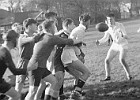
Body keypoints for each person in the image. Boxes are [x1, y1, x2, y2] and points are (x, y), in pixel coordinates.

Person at [26, 20, 78, 100]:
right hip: (35, 67)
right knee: (32, 91)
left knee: (54, 81)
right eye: (55, 26)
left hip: (42, 67)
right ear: (50, 28)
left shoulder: (43, 35)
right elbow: (68, 41)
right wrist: (77, 39)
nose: (56, 28)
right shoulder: (51, 38)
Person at [61, 13, 91, 99]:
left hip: (68, 54)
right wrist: (79, 53)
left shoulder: (79, 29)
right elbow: (72, 43)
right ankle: (76, 93)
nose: (89, 23)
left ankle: (76, 93)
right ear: (86, 21)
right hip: (69, 55)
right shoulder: (81, 30)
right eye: (89, 21)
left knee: (78, 76)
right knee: (86, 73)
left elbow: (74, 42)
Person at [0, 29, 35, 100]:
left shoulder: (2, 49)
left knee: (15, 95)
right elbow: (15, 71)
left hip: (1, 81)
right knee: (16, 95)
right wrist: (29, 69)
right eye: (17, 39)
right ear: (13, 40)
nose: (18, 41)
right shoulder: (5, 53)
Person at [96, 13, 132, 81]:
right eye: (108, 20)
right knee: (107, 60)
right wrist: (99, 41)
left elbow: (124, 34)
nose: (110, 21)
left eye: (111, 19)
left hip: (123, 44)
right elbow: (106, 38)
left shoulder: (120, 25)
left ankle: (129, 75)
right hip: (115, 45)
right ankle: (108, 77)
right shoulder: (108, 27)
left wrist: (124, 35)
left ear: (114, 19)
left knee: (122, 60)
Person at [15, 18, 44, 99]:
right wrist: (42, 33)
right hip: (23, 65)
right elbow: (32, 39)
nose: (36, 26)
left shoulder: (35, 36)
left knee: (40, 84)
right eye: (35, 24)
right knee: (18, 89)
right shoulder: (22, 37)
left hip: (32, 65)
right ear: (29, 26)